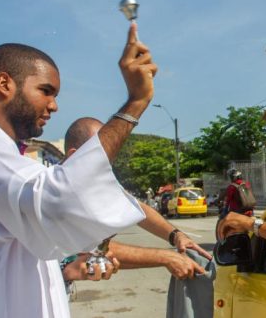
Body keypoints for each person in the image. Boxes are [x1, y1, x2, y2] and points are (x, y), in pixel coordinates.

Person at [0, 23, 157, 318]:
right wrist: (135, 104)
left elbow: (26, 238)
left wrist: (64, 268)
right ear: (4, 83)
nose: (54, 106)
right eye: (46, 91)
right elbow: (57, 201)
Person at [59, 117, 210, 283]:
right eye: (102, 157)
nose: (109, 166)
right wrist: (167, 257)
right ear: (74, 156)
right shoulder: (58, 193)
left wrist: (176, 236)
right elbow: (96, 250)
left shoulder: (90, 181)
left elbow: (137, 208)